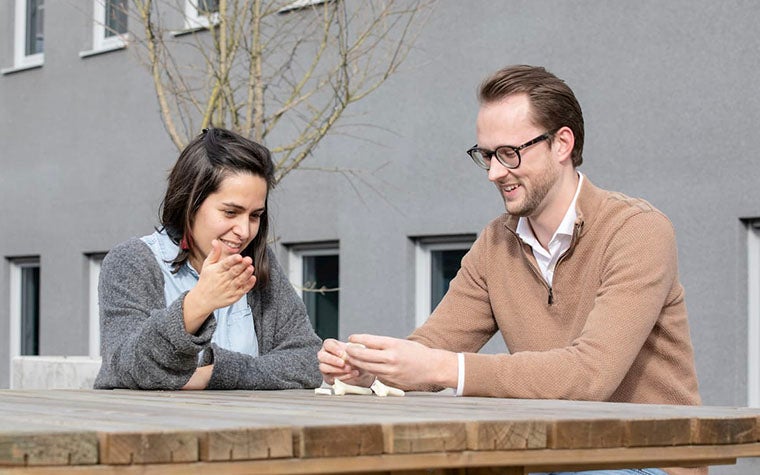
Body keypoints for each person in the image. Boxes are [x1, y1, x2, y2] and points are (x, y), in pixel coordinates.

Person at [318, 66, 702, 475]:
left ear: (562, 144)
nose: (494, 172)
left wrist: (441, 367)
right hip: (547, 454)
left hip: (646, 460)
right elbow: (435, 344)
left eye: (509, 153)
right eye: (486, 155)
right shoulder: (495, 242)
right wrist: (373, 368)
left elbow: (591, 376)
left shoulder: (637, 231)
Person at [95, 127, 322, 390]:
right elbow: (125, 370)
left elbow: (308, 362)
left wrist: (213, 372)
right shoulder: (132, 261)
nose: (245, 231)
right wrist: (197, 304)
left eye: (255, 215)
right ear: (189, 203)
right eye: (230, 212)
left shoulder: (257, 264)